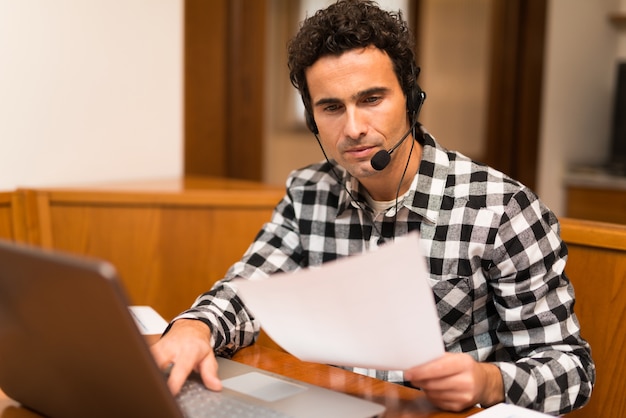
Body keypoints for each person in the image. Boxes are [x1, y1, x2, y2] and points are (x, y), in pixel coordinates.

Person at [151, 0, 595, 414]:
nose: (354, 128)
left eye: (371, 99)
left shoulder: (503, 210)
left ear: (411, 98)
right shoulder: (308, 191)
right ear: (312, 121)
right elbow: (248, 289)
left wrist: (489, 382)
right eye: (331, 107)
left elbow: (572, 369)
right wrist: (196, 327)